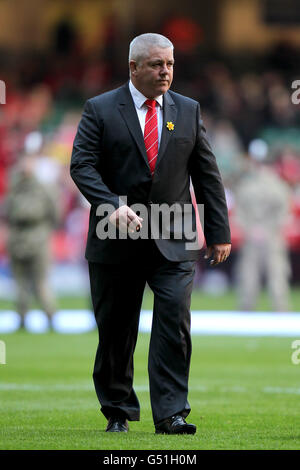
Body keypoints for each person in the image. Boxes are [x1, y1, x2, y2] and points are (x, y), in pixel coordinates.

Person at [70, 33, 231, 434]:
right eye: (157, 64)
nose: (166, 72)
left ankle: (172, 414)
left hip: (174, 236)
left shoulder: (189, 111)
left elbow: (207, 176)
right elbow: (82, 166)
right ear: (133, 68)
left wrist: (218, 231)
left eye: (170, 64)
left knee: (174, 320)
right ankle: (118, 412)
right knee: (116, 330)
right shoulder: (100, 109)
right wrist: (111, 203)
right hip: (115, 234)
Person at [234, 143, 292, 311]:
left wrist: (253, 229)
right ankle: (278, 310)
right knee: (257, 274)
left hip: (264, 234)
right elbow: (284, 212)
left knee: (272, 274)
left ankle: (271, 309)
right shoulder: (277, 184)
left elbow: (239, 212)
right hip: (266, 234)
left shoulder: (248, 184)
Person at [6, 155, 59, 329]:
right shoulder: (15, 187)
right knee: (21, 282)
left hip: (37, 235)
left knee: (40, 281)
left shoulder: (42, 188)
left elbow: (56, 211)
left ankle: (50, 316)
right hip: (19, 236)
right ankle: (22, 317)